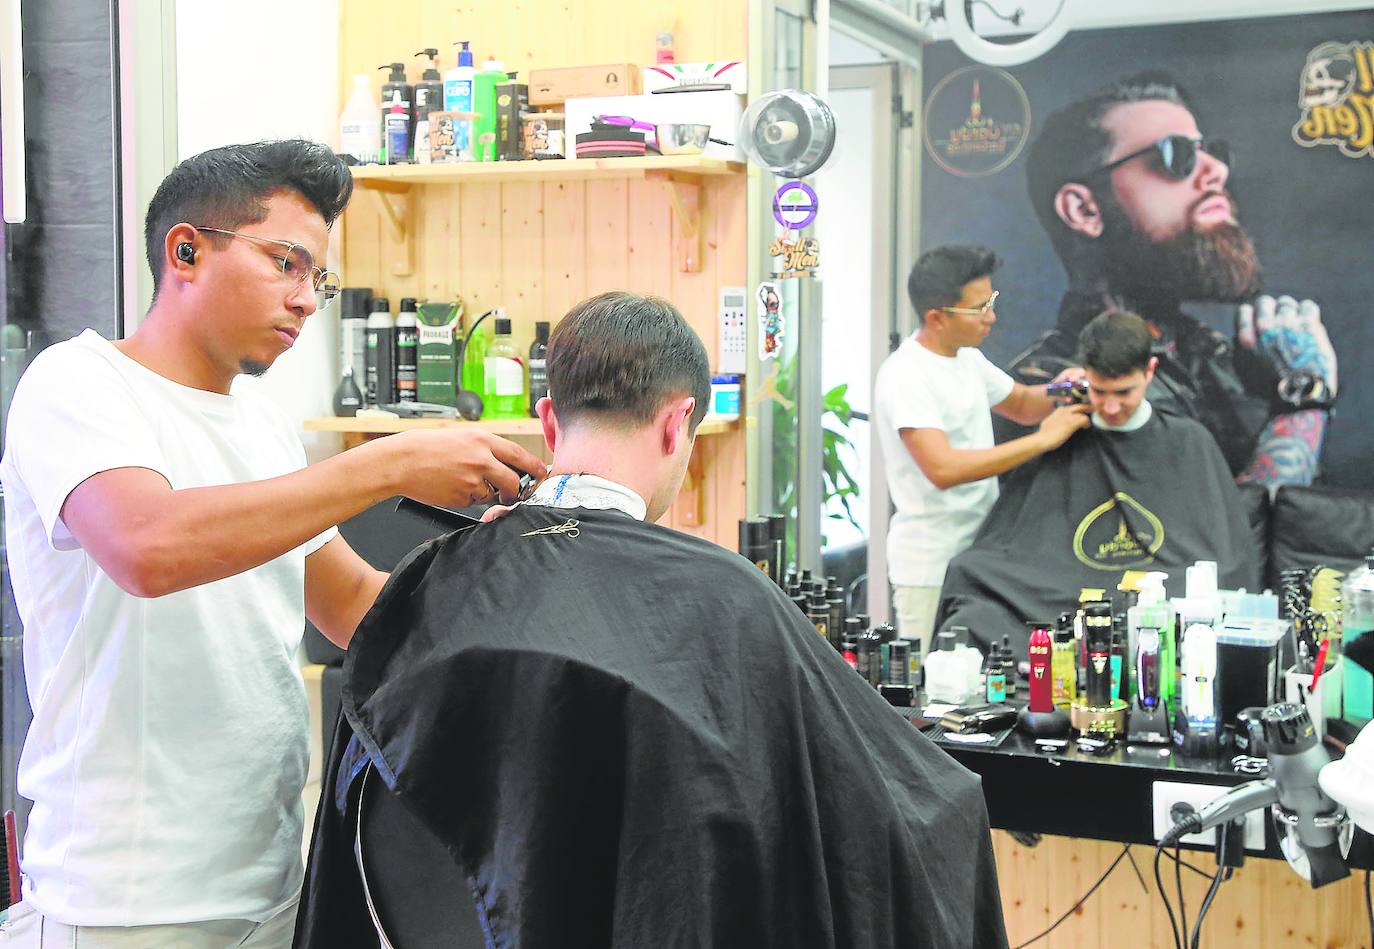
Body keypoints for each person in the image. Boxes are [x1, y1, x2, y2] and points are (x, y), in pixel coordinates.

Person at [296, 291, 1009, 949]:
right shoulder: (729, 595)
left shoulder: (432, 578)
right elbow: (889, 812)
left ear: (549, 421)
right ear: (677, 425)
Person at [0, 140, 546, 947]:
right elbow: (147, 547)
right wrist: (389, 463)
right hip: (123, 901)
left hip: (269, 883)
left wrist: (495, 566)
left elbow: (351, 603)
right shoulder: (78, 384)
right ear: (185, 251)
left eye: (317, 278)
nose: (304, 298)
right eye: (286, 263)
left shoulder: (261, 423)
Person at [1014, 70, 1338, 485]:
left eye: (1211, 152)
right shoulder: (1054, 391)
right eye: (1175, 154)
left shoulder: (1215, 357)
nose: (1216, 170)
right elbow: (1219, 526)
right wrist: (1305, 397)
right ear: (1084, 210)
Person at [938, 310, 1259, 656]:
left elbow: (1229, 558)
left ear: (1150, 371)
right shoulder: (1058, 436)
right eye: (1099, 391)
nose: (1110, 406)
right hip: (1062, 583)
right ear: (1083, 375)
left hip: (1157, 585)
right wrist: (1044, 438)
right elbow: (1015, 544)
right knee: (970, 573)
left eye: (1124, 392)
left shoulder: (1189, 441)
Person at [873, 244, 1091, 657]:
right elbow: (943, 468)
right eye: (979, 309)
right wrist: (1043, 440)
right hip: (931, 563)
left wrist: (1063, 388)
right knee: (932, 679)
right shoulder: (906, 375)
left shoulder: (968, 360)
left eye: (991, 302)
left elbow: (1023, 404)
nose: (991, 317)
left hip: (981, 553)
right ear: (937, 317)